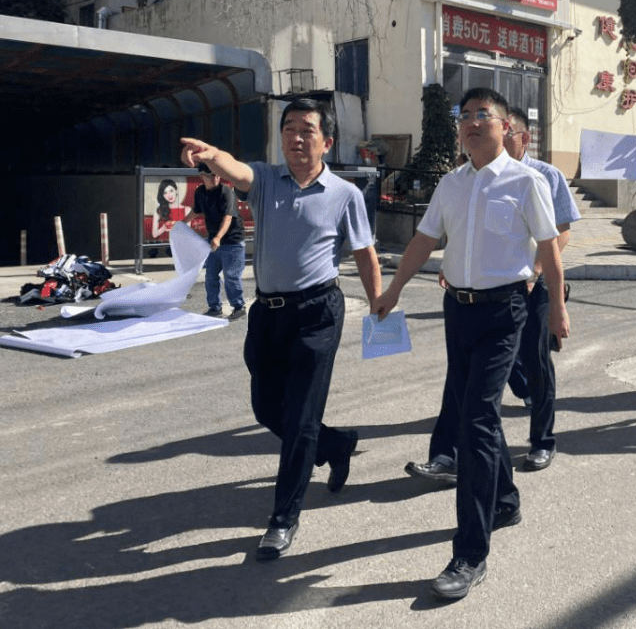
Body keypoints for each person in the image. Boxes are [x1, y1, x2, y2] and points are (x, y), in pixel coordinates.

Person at [372, 87, 570, 600]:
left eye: (484, 115)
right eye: (465, 117)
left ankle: (470, 553)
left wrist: (558, 310)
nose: (472, 123)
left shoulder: (527, 181)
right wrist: (392, 289)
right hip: (456, 311)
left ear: (506, 128)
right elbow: (423, 240)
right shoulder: (450, 184)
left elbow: (549, 245)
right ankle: (504, 498)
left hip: (505, 311)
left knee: (477, 421)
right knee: (471, 413)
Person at [179, 97, 382, 560]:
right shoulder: (268, 180)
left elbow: (367, 253)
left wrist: (378, 305)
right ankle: (337, 443)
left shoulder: (345, 195)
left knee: (301, 418)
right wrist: (211, 154)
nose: (295, 137)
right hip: (267, 314)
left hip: (318, 313)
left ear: (326, 141)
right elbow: (235, 169)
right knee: (267, 407)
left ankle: (283, 518)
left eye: (306, 129)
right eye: (288, 128)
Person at [405, 107, 579, 486]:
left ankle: (541, 441)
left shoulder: (543, 177)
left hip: (529, 288)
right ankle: (446, 454)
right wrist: (455, 270)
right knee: (464, 381)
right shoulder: (466, 179)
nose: (480, 131)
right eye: (471, 122)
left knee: (535, 365)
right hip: (478, 297)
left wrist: (537, 275)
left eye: (502, 128)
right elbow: (461, 235)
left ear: (518, 135)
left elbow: (560, 234)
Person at [183, 163, 246, 319]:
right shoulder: (200, 192)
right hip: (213, 242)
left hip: (232, 242)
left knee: (231, 276)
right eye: (212, 175)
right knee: (210, 276)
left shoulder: (226, 192)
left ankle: (239, 307)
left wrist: (218, 237)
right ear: (203, 176)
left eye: (217, 174)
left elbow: (228, 217)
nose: (216, 177)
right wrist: (182, 223)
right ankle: (214, 308)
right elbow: (196, 211)